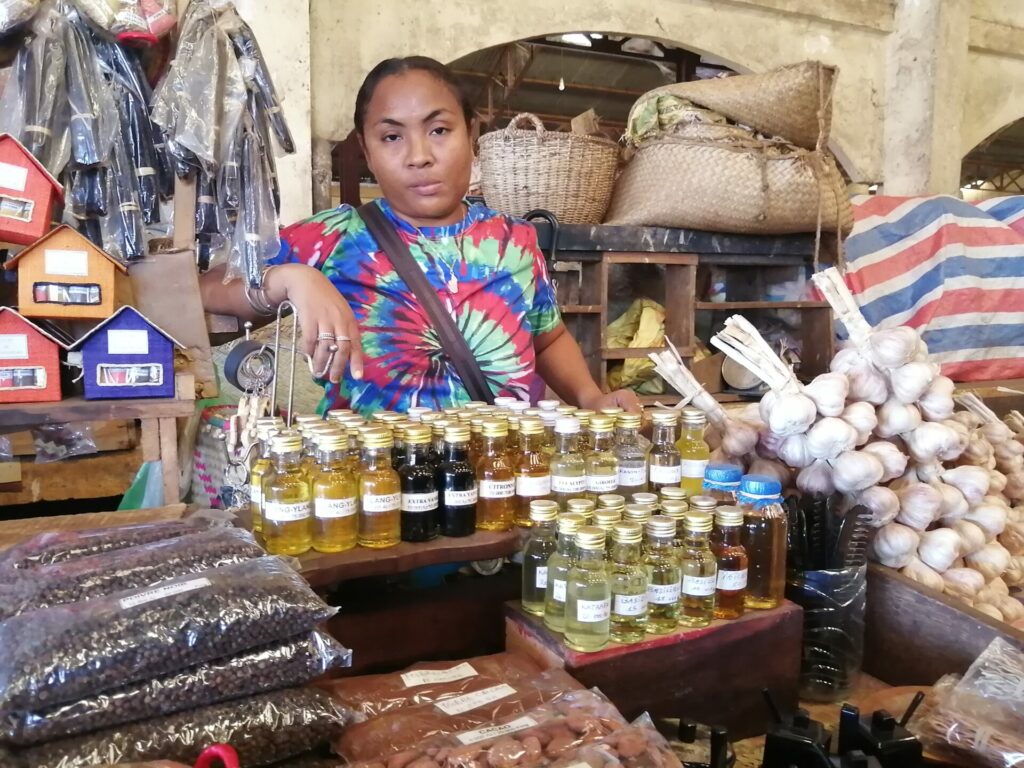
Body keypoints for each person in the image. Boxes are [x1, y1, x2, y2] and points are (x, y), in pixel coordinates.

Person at [201, 56, 641, 416]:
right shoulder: (334, 238)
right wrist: (292, 279)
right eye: (392, 136)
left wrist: (590, 397)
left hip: (505, 479)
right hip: (376, 487)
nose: (419, 156)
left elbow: (548, 338)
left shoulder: (514, 241)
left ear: (472, 135)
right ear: (367, 151)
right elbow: (206, 290)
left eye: (439, 130)